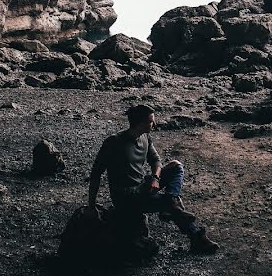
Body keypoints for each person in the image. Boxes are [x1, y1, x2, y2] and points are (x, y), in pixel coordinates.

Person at [86, 104, 219, 255]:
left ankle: (171, 199)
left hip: (143, 187)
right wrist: (91, 206)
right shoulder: (113, 143)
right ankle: (197, 237)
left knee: (176, 166)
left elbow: (156, 161)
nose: (154, 124)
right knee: (170, 205)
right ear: (140, 123)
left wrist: (156, 178)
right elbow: (96, 174)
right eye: (151, 121)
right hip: (127, 198)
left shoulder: (145, 137)